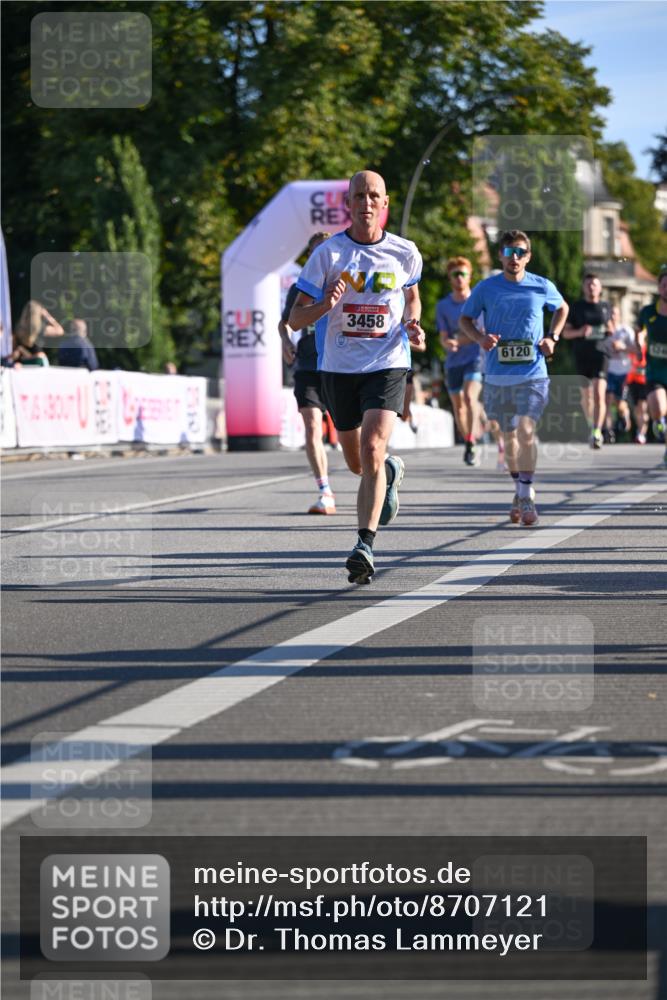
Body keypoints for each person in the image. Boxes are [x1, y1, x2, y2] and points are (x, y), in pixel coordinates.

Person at [289, 170, 425, 584]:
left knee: (372, 447)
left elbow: (412, 296)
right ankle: (389, 472)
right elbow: (296, 318)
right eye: (359, 196)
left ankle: (365, 544)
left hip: (387, 361)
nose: (366, 202)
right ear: (348, 204)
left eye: (374, 195)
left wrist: (413, 323)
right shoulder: (328, 255)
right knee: (356, 463)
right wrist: (324, 306)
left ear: (385, 203)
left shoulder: (404, 252)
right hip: (338, 367)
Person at [459, 230, 569, 527]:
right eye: (509, 252)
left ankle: (526, 494)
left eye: (520, 252)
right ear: (501, 256)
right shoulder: (486, 288)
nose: (515, 258)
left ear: (528, 257)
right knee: (508, 438)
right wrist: (480, 338)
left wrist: (553, 337)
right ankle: (520, 490)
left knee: (526, 430)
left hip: (533, 373)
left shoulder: (541, 286)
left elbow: (562, 308)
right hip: (498, 376)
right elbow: (465, 319)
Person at [279, 232, 336, 514]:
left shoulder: (347, 284)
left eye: (324, 251)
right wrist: (286, 341)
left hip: (339, 366)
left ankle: (375, 474)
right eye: (314, 252)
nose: (319, 257)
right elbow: (285, 323)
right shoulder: (300, 288)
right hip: (308, 366)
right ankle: (324, 491)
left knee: (356, 435)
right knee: (313, 426)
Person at [436, 257, 484, 466]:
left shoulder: (477, 302)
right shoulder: (443, 305)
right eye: (455, 274)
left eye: (462, 274)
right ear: (450, 278)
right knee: (459, 407)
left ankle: (472, 440)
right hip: (453, 361)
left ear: (469, 276)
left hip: (475, 358)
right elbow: (443, 335)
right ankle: (469, 441)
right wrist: (447, 343)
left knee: (469, 397)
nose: (459, 278)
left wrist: (459, 341)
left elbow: (480, 332)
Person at [562, 274, 614, 449]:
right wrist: (580, 332)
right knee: (587, 397)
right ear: (583, 287)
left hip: (601, 355)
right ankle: (591, 424)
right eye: (588, 284)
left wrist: (610, 331)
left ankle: (597, 431)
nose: (592, 287)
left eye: (595, 284)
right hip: (582, 355)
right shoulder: (576, 308)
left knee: (599, 394)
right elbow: (565, 333)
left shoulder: (606, 307)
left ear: (600, 288)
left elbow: (612, 328)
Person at [635, 265, 667, 466]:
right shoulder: (648, 312)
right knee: (658, 408)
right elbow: (639, 330)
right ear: (659, 288)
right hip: (655, 372)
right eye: (664, 285)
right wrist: (639, 342)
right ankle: (658, 421)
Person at [604, 305, 635, 442]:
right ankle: (609, 431)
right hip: (608, 370)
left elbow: (636, 349)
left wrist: (622, 347)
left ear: (619, 315)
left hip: (624, 371)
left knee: (620, 402)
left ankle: (624, 414)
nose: (612, 316)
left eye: (614, 313)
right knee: (607, 400)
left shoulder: (626, 330)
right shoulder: (604, 331)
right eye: (610, 313)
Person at [625, 337, 649, 444]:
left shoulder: (647, 350)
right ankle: (639, 430)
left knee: (642, 407)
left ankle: (642, 433)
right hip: (632, 382)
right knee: (636, 410)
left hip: (644, 382)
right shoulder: (631, 350)